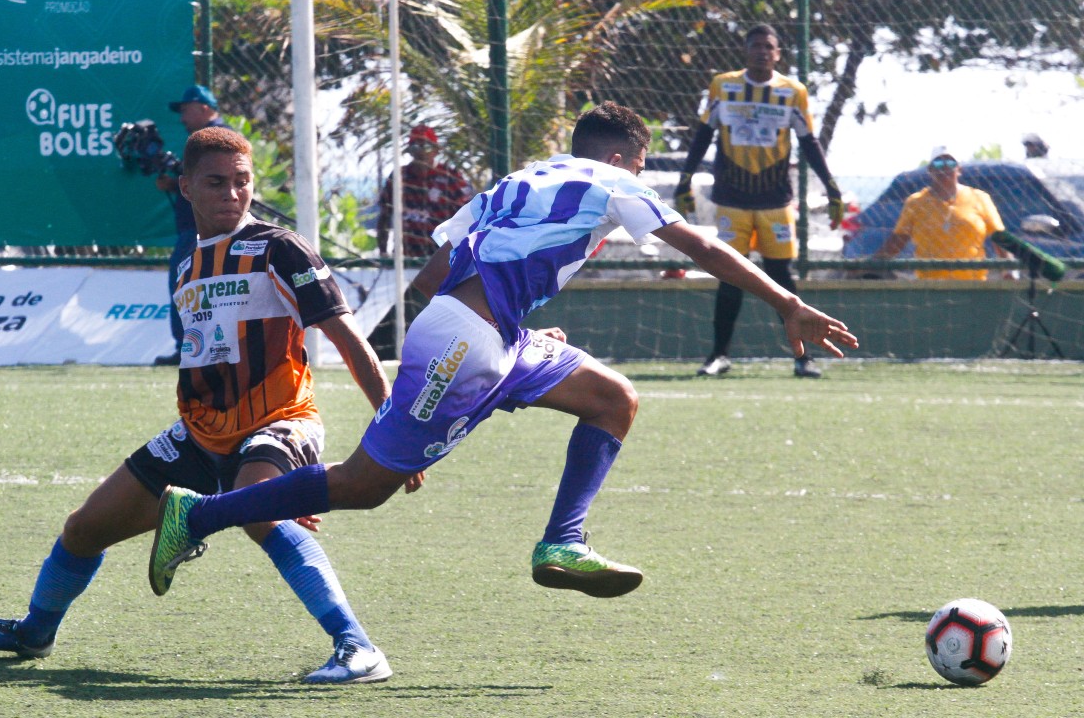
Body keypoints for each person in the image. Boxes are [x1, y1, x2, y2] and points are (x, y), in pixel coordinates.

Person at [148, 103, 858, 610]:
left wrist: (509, 330)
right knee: (364, 486)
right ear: (619, 158)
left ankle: (562, 543)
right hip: (465, 342)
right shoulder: (613, 179)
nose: (638, 179)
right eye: (638, 166)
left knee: (612, 399)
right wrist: (786, 303)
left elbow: (430, 280)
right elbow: (700, 245)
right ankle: (200, 517)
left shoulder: (516, 181)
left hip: (483, 335)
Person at [0, 126, 420, 685]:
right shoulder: (185, 266)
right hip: (198, 435)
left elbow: (349, 341)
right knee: (82, 529)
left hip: (279, 420)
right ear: (186, 189)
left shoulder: (279, 247)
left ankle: (358, 648)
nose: (232, 193)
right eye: (217, 182)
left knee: (258, 510)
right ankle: (34, 632)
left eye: (242, 182)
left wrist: (398, 435)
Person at [673, 23, 845, 379]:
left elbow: (809, 142)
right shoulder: (724, 85)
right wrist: (684, 180)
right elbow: (704, 134)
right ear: (746, 51)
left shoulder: (792, 91)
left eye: (769, 47)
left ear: (778, 53)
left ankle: (803, 358)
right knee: (729, 275)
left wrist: (831, 188)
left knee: (782, 277)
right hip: (731, 200)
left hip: (775, 202)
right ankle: (719, 355)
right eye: (756, 46)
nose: (762, 52)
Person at [153, 84, 232, 366]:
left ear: (204, 108)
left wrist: (175, 184)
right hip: (203, 227)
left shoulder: (217, 138)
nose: (182, 117)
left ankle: (188, 348)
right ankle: (199, 347)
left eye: (186, 110)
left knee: (183, 283)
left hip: (204, 229)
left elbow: (216, 180)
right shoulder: (210, 139)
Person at [872, 147, 1009, 281]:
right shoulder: (915, 202)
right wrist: (869, 266)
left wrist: (1010, 270)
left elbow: (999, 238)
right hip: (930, 286)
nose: (944, 168)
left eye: (950, 163)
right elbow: (898, 240)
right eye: (938, 163)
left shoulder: (979, 197)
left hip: (973, 283)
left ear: (959, 169)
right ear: (930, 170)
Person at [376, 124, 474, 258]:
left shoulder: (451, 177)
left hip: (442, 257)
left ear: (436, 151)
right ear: (410, 151)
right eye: (416, 147)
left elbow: (469, 216)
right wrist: (382, 252)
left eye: (426, 147)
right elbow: (385, 216)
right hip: (406, 257)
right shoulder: (399, 177)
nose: (421, 153)